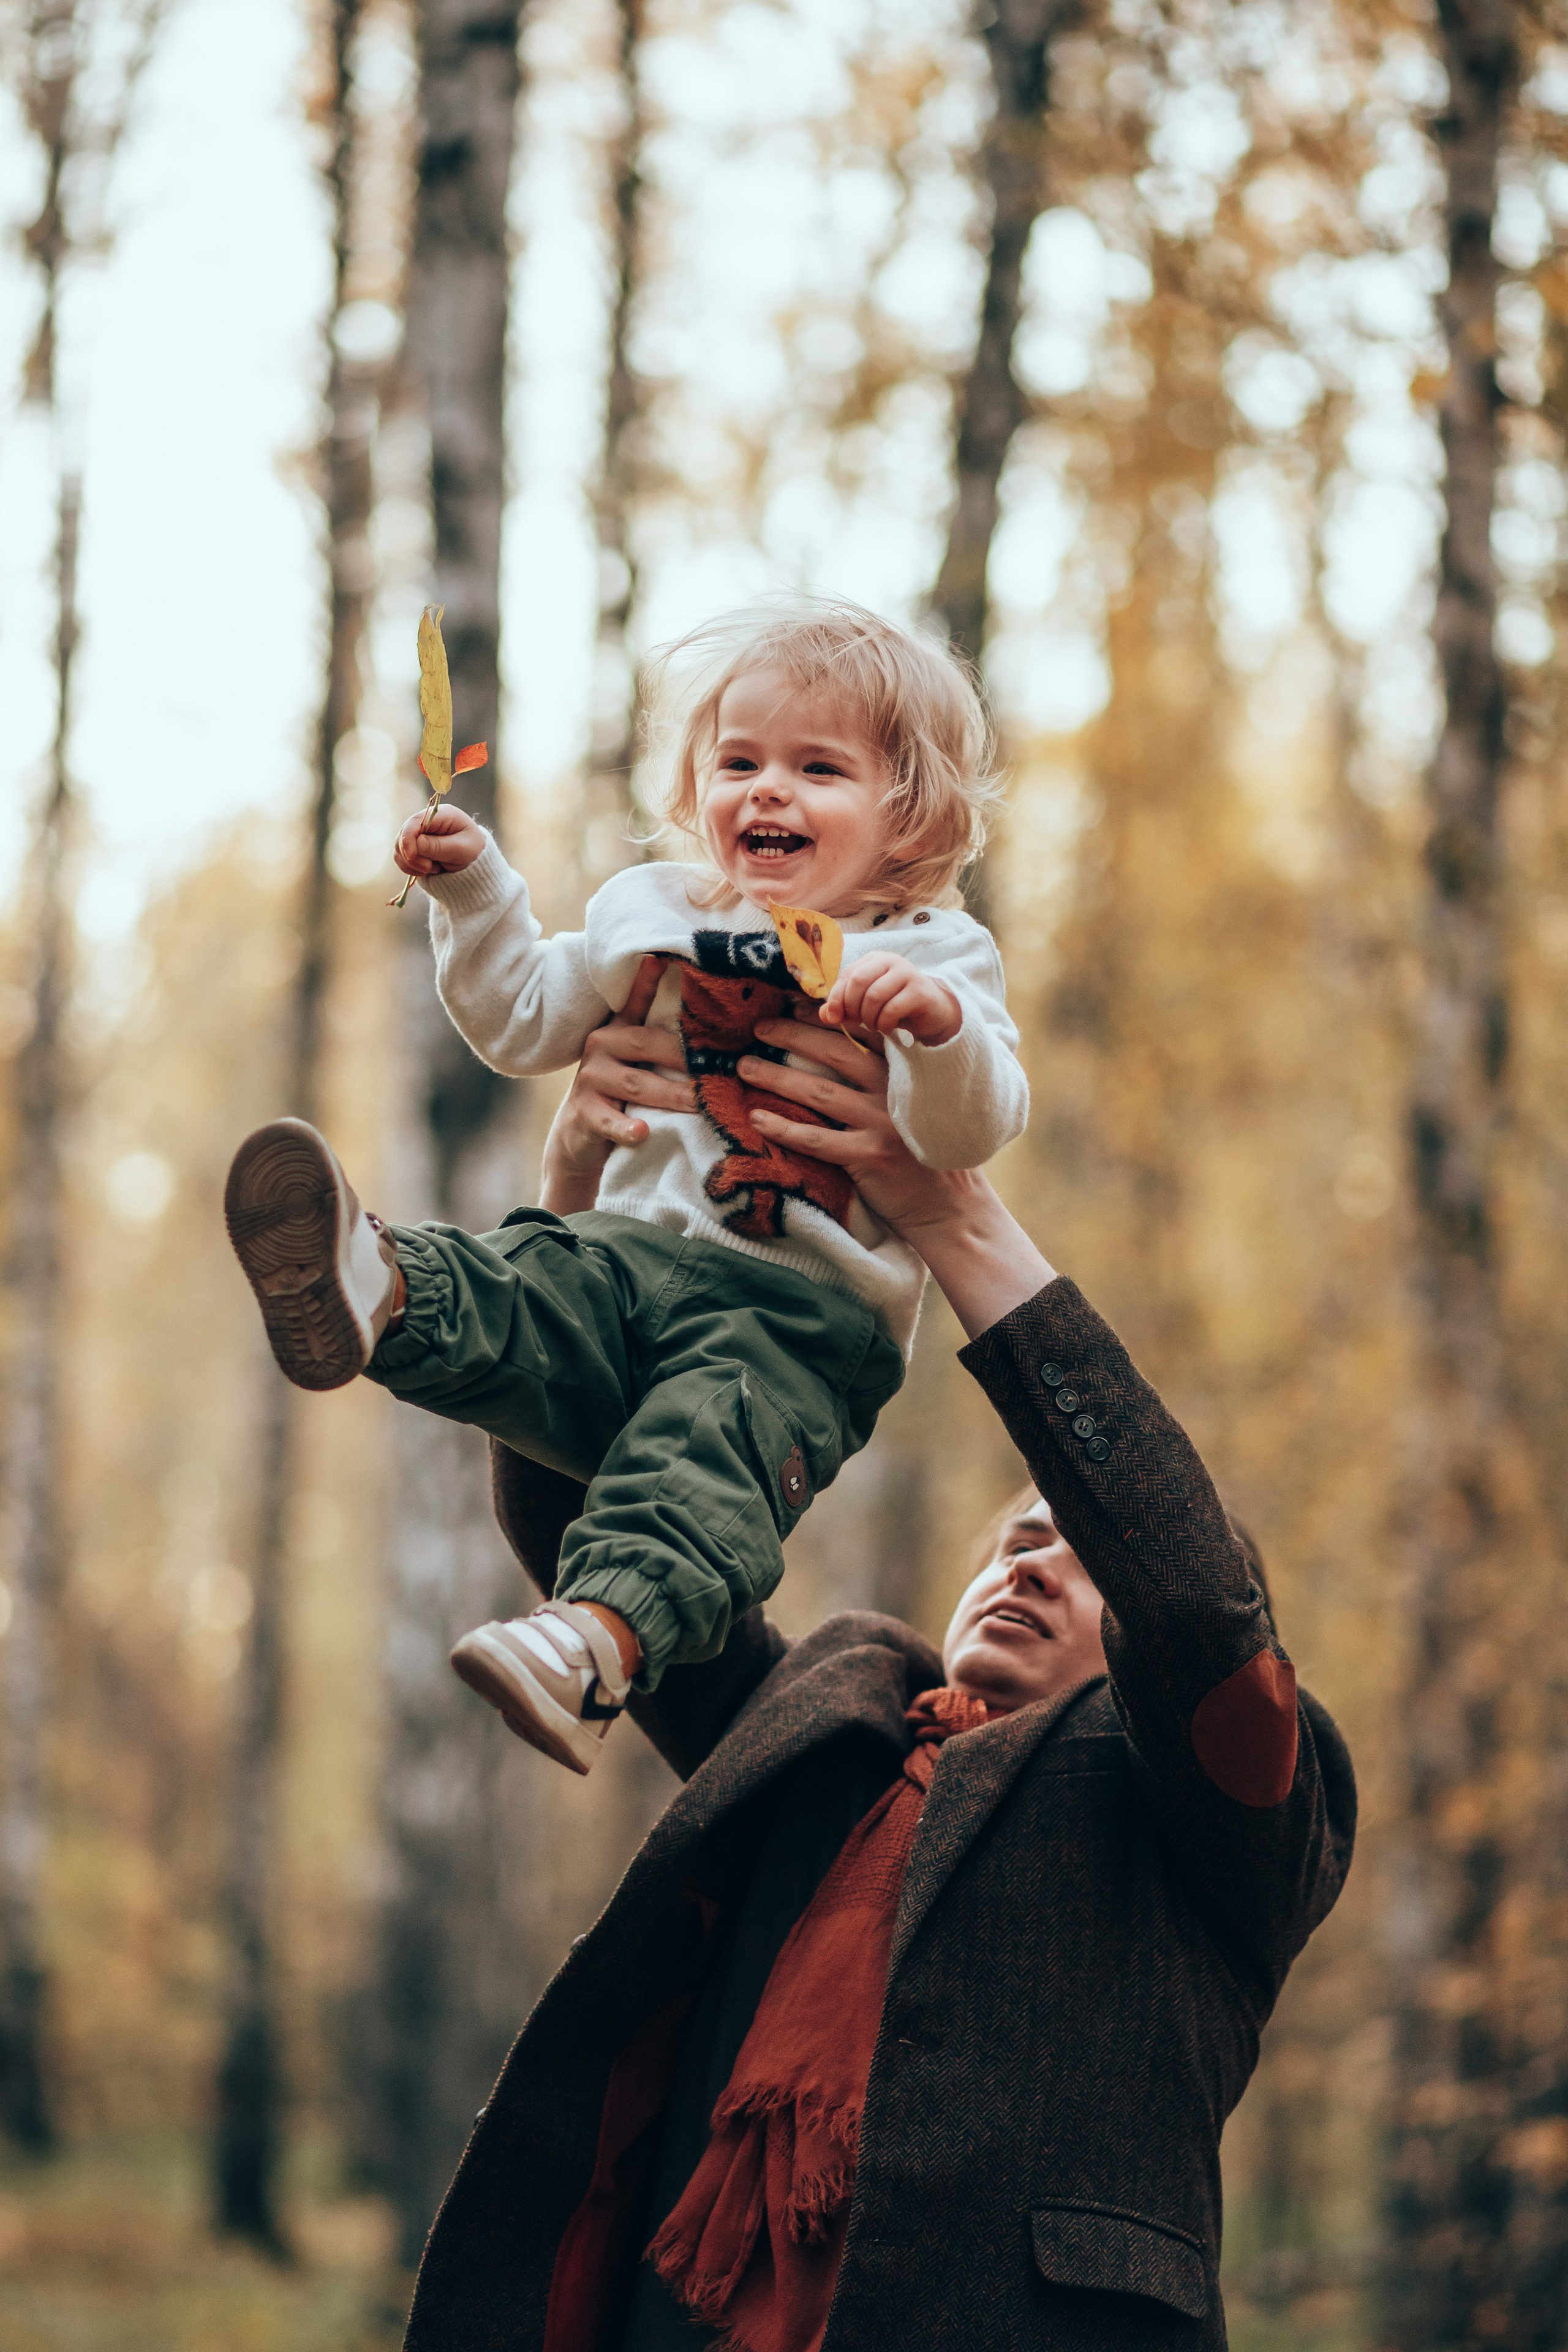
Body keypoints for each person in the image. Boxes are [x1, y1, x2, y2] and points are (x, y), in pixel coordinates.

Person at [397, 1008, 1357, 2352]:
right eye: (1019, 1540)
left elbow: (1193, 1600)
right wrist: (580, 1195)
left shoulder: (1229, 1804)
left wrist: (951, 1220)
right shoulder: (823, 1733)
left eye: (1083, 1560)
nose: (1035, 1565)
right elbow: (580, 1524)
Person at [224, 600, 1027, 1775]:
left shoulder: (931, 954)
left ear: (908, 810)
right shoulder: (661, 912)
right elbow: (525, 1019)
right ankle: (377, 1283)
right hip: (634, 1257)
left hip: (797, 1319)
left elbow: (972, 1126)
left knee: (710, 1455)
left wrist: (940, 1031)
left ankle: (592, 1640)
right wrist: (480, 895)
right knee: (534, 1279)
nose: (766, 792)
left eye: (818, 769)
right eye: (739, 762)